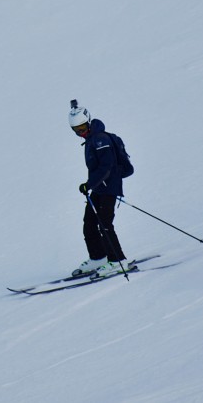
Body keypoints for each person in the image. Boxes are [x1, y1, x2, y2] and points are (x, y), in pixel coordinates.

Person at [68, 100, 130, 278]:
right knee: (89, 223)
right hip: (98, 188)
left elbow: (106, 167)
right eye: (76, 130)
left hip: (109, 187)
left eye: (82, 128)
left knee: (105, 224)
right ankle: (98, 257)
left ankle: (118, 261)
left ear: (88, 121)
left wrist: (90, 184)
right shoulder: (91, 139)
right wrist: (91, 185)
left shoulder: (101, 139)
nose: (80, 133)